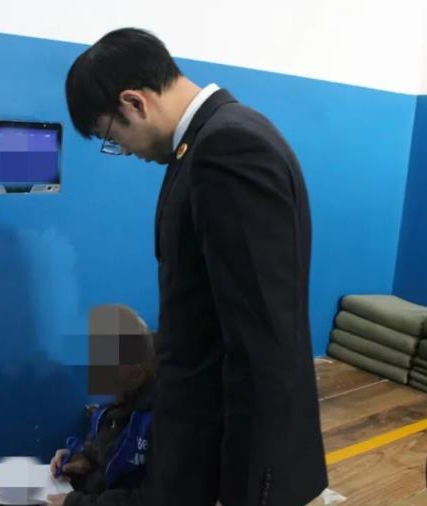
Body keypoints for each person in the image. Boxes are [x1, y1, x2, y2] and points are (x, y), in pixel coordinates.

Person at [64, 28, 328, 505]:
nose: (125, 151)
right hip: (199, 439)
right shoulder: (204, 144)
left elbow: (261, 342)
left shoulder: (228, 148)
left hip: (234, 460)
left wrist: (245, 485)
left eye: (112, 137)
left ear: (134, 103)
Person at [47, 330, 155, 506]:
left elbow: (151, 499)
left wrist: (76, 503)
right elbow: (100, 457)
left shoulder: (162, 424)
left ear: (136, 374)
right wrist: (80, 459)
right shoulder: (109, 411)